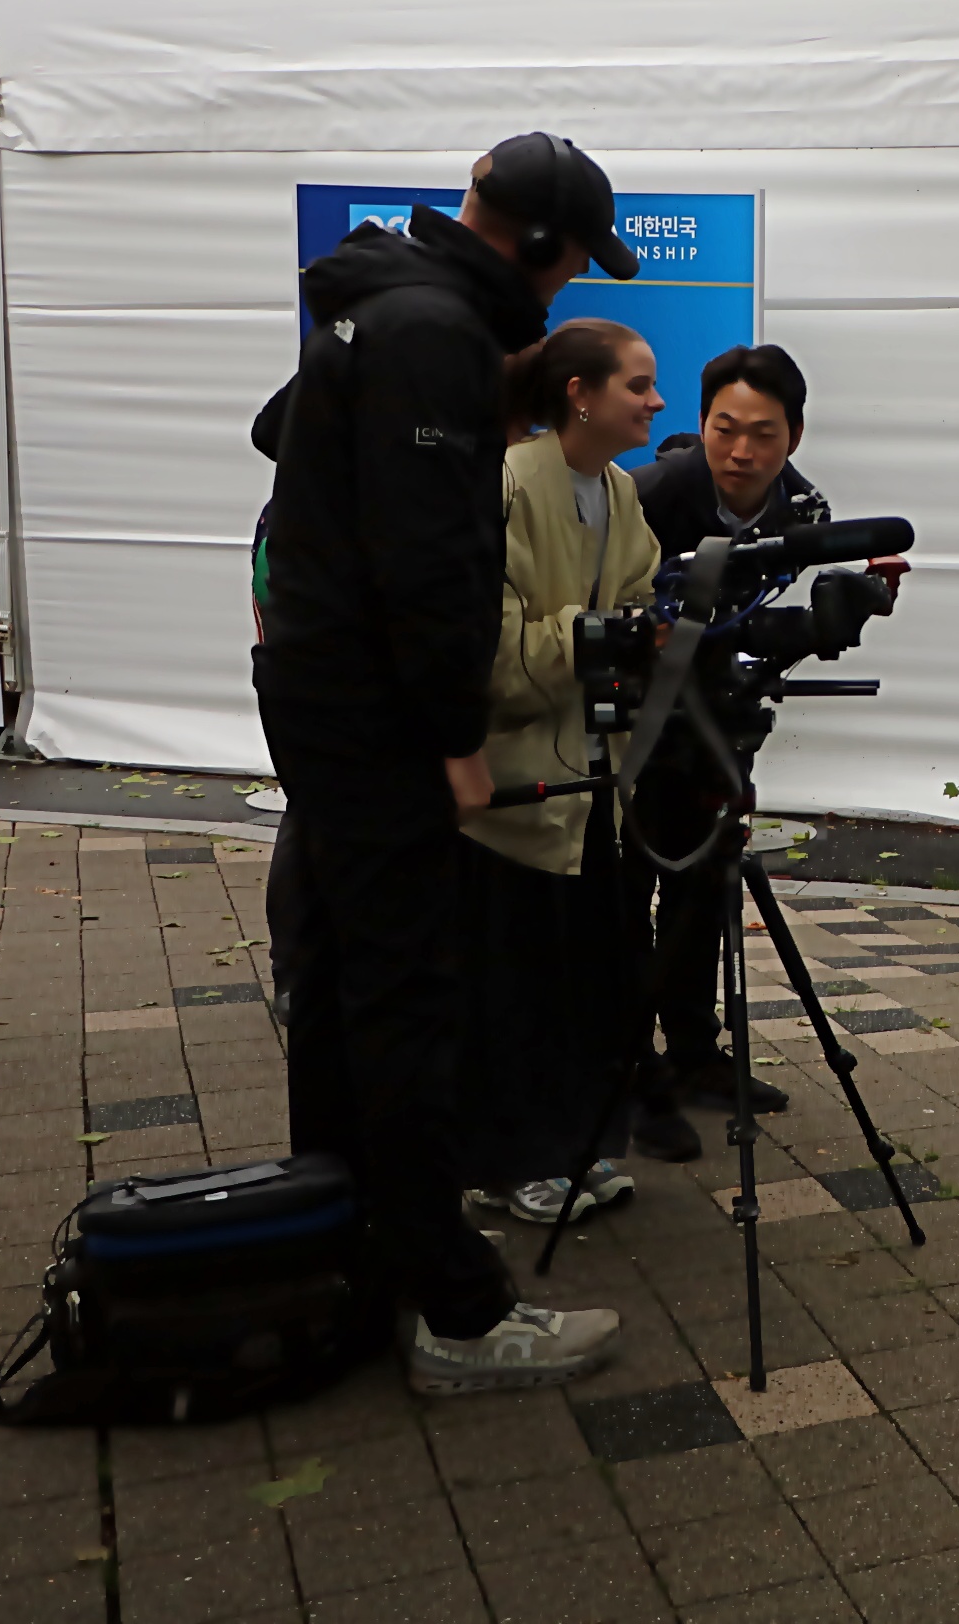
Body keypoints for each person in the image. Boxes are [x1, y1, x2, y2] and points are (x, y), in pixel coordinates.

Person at [254, 132, 641, 1394]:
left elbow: (280, 434)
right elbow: (429, 572)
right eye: (572, 262)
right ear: (538, 241)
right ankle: (458, 1313)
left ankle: (345, 1251)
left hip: (321, 698)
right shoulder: (434, 332)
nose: (567, 285)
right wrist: (457, 741)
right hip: (378, 720)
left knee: (342, 989)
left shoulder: (381, 303)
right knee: (408, 1004)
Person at [455, 319, 665, 1226]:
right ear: (579, 394)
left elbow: (646, 603)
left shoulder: (620, 491)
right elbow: (489, 655)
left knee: (586, 987)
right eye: (638, 385)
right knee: (514, 991)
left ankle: (574, 1149)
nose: (656, 401)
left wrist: (640, 636)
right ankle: (505, 1165)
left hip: (595, 792)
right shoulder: (507, 485)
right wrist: (599, 636)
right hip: (515, 797)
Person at [620, 343, 830, 1160]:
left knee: (705, 889)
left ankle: (695, 1054)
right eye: (724, 428)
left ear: (794, 437)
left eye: (764, 435)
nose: (741, 451)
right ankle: (629, 1075)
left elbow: (763, 628)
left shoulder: (803, 510)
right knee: (624, 898)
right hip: (631, 728)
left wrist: (826, 623)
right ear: (701, 422)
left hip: (717, 723)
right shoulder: (645, 496)